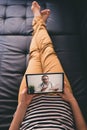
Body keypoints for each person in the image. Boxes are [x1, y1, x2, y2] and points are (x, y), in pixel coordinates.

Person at [9, 1, 87, 130]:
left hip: (29, 101)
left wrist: (23, 104)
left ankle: (38, 20)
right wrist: (71, 99)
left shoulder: (25, 103)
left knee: (35, 54)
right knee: (47, 50)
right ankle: (39, 22)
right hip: (61, 96)